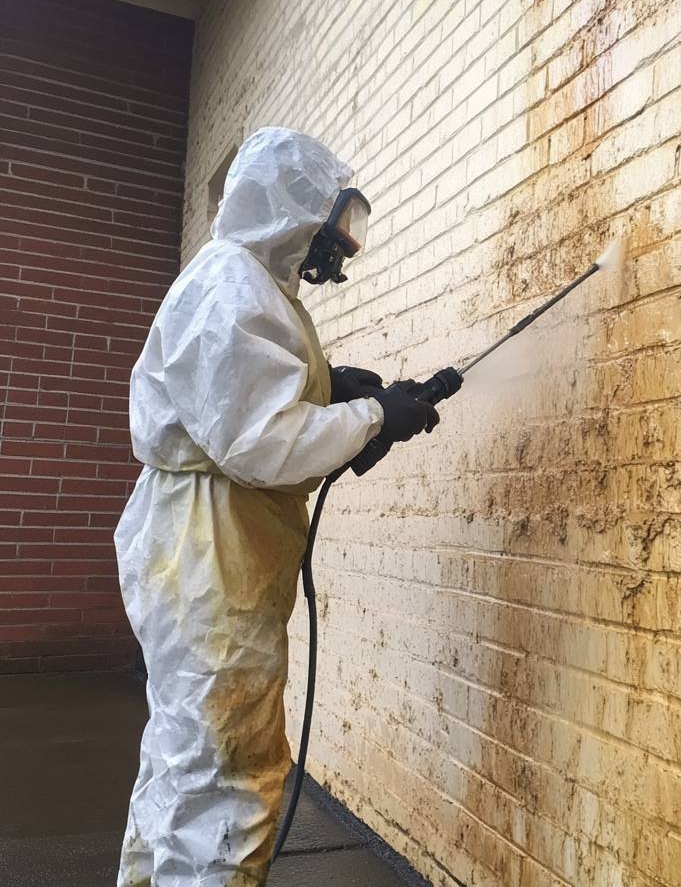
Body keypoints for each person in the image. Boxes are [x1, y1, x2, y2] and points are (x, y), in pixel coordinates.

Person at [114, 127, 438, 886]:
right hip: (208, 549)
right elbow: (258, 438)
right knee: (228, 771)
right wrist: (369, 418)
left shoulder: (248, 285)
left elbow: (255, 397)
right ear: (288, 212)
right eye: (330, 231)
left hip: (207, 541)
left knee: (184, 756)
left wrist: (333, 385)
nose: (336, 252)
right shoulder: (230, 287)